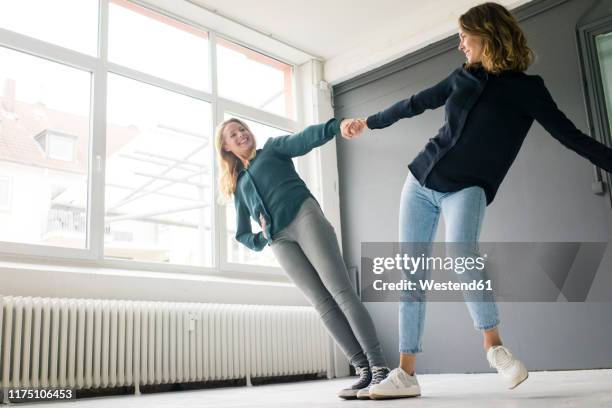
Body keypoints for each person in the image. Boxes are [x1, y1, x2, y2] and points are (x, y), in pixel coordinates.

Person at [343, 1, 612, 399]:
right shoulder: (462, 77)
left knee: (461, 254)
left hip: (467, 188)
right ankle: (406, 374)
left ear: (487, 35)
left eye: (464, 36)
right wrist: (369, 122)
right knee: (411, 272)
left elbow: (571, 135)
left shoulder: (527, 90)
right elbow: (416, 101)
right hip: (419, 181)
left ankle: (494, 346)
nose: (460, 44)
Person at [214, 117, 388, 399]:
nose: (241, 134)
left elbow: (304, 139)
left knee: (341, 292)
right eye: (233, 134)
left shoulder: (271, 149)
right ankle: (363, 369)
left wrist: (335, 126)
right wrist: (264, 236)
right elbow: (242, 234)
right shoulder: (239, 185)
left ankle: (380, 367)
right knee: (322, 304)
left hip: (304, 215)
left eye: (243, 129)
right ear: (225, 146)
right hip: (280, 240)